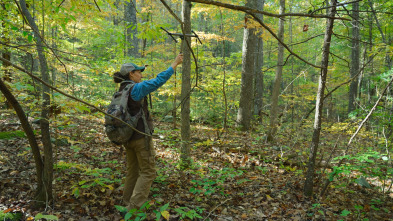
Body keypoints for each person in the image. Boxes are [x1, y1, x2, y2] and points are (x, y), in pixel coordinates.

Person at [112, 54, 183, 212]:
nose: (141, 74)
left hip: (127, 138)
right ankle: (133, 209)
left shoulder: (121, 90)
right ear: (131, 74)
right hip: (140, 138)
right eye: (138, 72)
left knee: (133, 171)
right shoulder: (136, 89)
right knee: (148, 171)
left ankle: (125, 203)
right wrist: (174, 64)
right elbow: (158, 81)